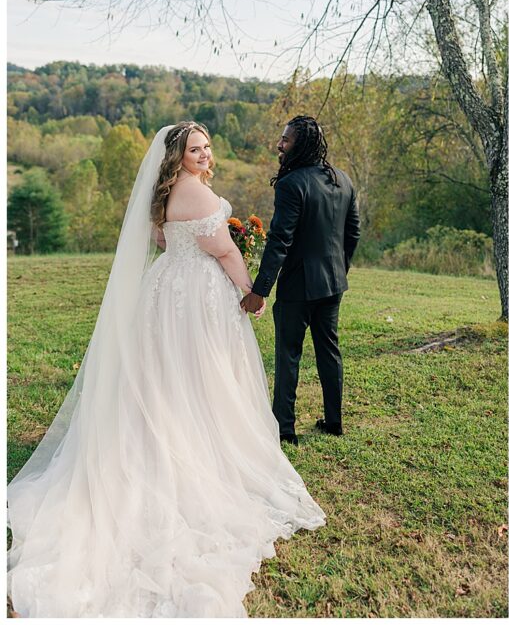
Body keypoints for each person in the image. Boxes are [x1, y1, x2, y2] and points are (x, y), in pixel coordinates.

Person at [7, 121, 325, 617]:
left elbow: (161, 238)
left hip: (166, 289)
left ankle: (166, 429)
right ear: (178, 156)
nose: (204, 154)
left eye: (207, 147)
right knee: (202, 374)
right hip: (195, 295)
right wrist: (251, 294)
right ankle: (196, 446)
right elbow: (222, 249)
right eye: (195, 149)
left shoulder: (165, 193)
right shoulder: (197, 193)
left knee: (167, 374)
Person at [241, 116, 360, 444]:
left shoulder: (291, 184)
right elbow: (353, 234)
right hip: (333, 285)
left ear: (302, 144)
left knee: (288, 355)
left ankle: (284, 431)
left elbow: (280, 241)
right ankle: (334, 423)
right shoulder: (343, 180)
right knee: (329, 351)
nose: (280, 145)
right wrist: (338, 270)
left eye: (286, 140)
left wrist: (258, 291)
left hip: (298, 288)